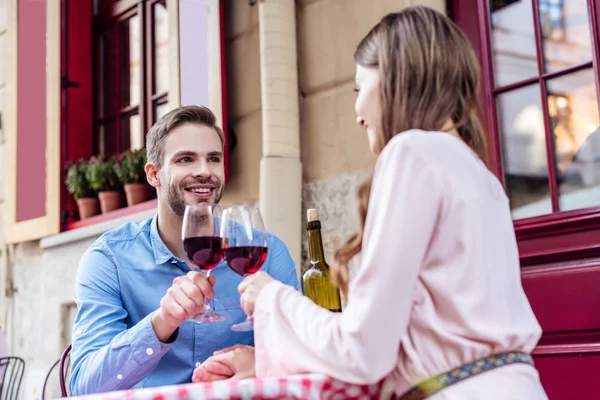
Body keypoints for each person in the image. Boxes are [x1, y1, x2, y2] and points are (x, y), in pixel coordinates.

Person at [192, 6, 549, 399]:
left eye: (360, 89)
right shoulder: (481, 176)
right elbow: (410, 343)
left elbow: (363, 349)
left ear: (397, 78)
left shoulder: (411, 152)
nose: (358, 112)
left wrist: (272, 299)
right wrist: (259, 362)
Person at [69, 105, 299, 395]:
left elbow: (305, 351)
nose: (204, 171)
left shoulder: (265, 251)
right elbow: (84, 385)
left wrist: (261, 362)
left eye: (213, 159)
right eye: (186, 159)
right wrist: (160, 323)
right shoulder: (109, 259)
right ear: (154, 174)